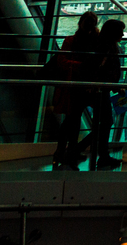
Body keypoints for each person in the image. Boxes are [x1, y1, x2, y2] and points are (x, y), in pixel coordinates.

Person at [51, 11, 98, 167]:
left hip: (75, 86)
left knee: (72, 120)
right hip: (88, 86)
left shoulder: (71, 41)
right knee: (77, 120)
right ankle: (72, 150)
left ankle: (65, 151)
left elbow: (62, 61)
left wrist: (78, 66)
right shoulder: (96, 41)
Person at [85, 18, 126, 171]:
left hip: (100, 90)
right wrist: (115, 86)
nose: (122, 34)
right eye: (120, 31)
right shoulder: (108, 48)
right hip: (100, 91)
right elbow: (103, 71)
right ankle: (100, 155)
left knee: (104, 122)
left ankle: (99, 154)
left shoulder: (103, 46)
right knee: (106, 122)